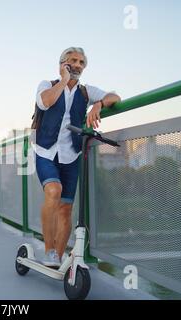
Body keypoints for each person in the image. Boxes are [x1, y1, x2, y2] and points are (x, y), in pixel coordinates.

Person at [32, 47, 121, 266]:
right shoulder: (47, 85)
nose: (78, 65)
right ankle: (49, 250)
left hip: (71, 155)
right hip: (46, 151)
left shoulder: (85, 92)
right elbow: (45, 102)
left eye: (82, 62)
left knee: (66, 209)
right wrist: (63, 81)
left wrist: (98, 103)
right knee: (54, 190)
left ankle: (58, 259)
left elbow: (115, 97)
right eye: (73, 60)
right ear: (62, 63)